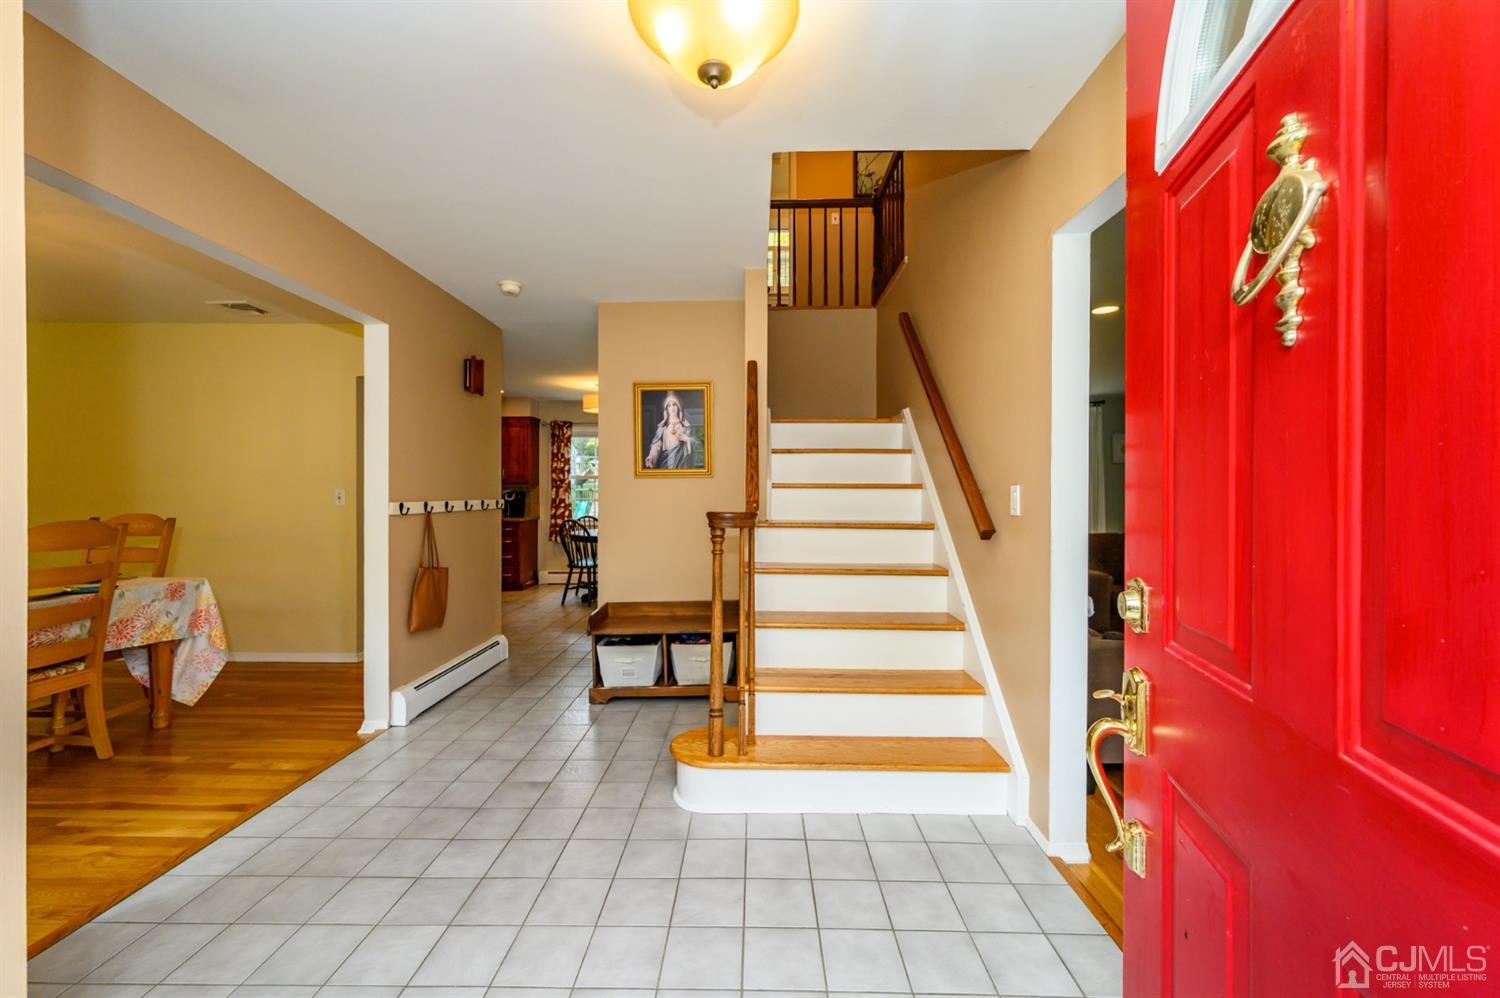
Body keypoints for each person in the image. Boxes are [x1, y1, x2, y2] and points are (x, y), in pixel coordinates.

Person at [644, 391, 698, 469]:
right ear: (666, 409)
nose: (672, 408)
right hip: (666, 463)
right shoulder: (662, 427)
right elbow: (657, 445)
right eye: (669, 406)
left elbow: (694, 443)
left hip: (681, 463)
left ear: (678, 406)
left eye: (674, 405)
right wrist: (651, 456)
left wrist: (686, 439)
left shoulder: (685, 425)